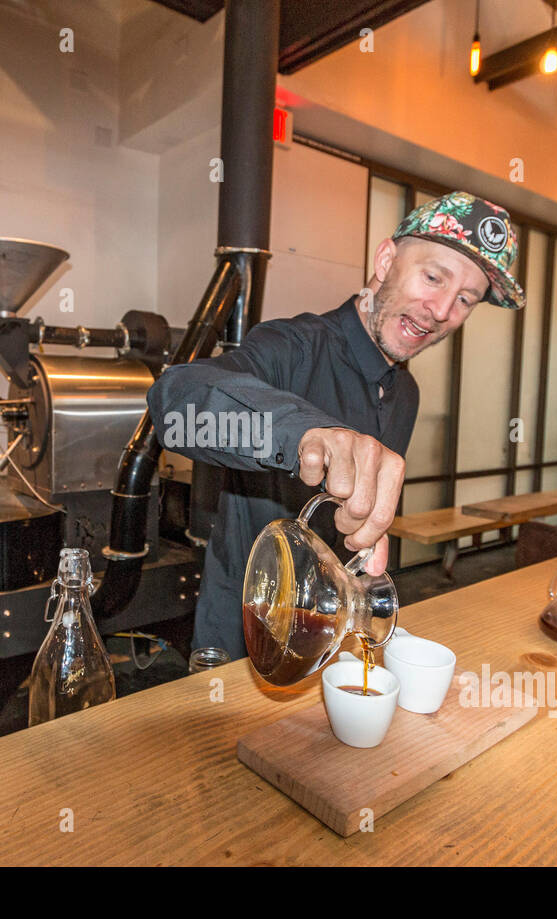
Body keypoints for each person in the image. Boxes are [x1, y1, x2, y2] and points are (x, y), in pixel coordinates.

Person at [147, 191, 526, 659]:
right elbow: (177, 406)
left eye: (465, 299)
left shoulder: (406, 393)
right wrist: (306, 434)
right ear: (386, 260)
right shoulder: (293, 346)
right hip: (245, 638)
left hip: (332, 636)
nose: (443, 311)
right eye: (433, 277)